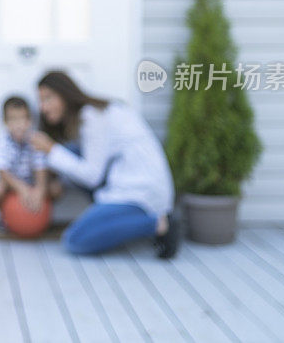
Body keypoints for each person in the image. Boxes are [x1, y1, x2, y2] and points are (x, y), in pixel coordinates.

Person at [29, 71, 180, 258]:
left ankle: (159, 224)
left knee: (75, 240)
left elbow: (92, 177)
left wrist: (51, 149)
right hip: (126, 181)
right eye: (41, 101)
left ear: (65, 95)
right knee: (69, 152)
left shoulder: (93, 116)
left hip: (140, 192)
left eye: (48, 99)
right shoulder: (92, 114)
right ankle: (109, 218)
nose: (43, 108)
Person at [0, 96, 63, 215]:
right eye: (13, 119)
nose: (19, 125)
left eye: (22, 119)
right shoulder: (2, 140)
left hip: (33, 181)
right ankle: (5, 217)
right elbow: (2, 170)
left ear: (29, 121)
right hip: (11, 183)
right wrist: (22, 189)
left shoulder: (35, 139)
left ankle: (44, 214)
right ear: (5, 122)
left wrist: (39, 190)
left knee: (56, 188)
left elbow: (41, 167)